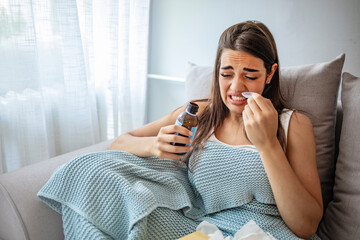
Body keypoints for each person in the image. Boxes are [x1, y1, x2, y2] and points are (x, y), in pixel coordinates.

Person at [110, 20, 323, 239]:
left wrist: (268, 144)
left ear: (270, 74)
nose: (236, 87)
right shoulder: (198, 114)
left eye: (250, 76)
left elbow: (306, 226)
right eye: (226, 74)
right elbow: (118, 143)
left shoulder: (293, 124)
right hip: (204, 229)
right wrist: (153, 144)